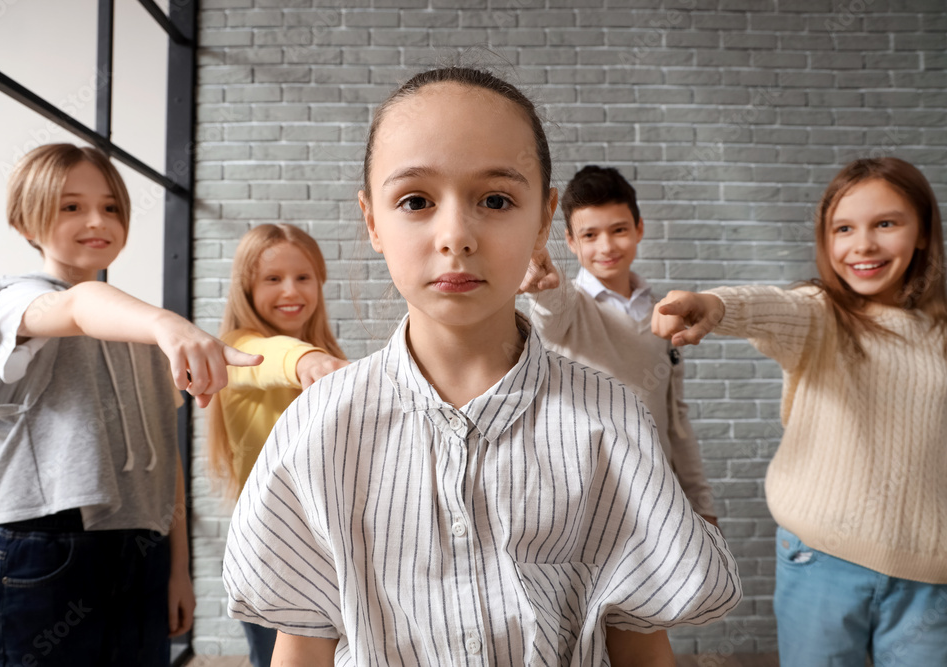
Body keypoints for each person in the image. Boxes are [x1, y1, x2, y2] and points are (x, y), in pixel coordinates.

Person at [222, 66, 740, 667]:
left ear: (544, 219)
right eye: (415, 201)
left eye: (496, 200)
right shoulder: (319, 427)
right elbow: (302, 646)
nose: (456, 236)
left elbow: (640, 647)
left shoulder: (609, 420)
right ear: (371, 221)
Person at [0, 143, 260, 666]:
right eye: (71, 206)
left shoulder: (140, 328)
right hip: (48, 549)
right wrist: (169, 324)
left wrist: (177, 571)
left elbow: (165, 456)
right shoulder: (15, 300)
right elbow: (79, 304)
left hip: (142, 554)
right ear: (24, 223)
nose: (97, 220)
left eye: (112, 207)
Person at [651, 157, 947, 666]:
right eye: (844, 229)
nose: (863, 245)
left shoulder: (940, 331)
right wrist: (713, 306)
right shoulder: (822, 313)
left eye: (886, 224)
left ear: (921, 232)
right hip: (821, 561)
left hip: (931, 575)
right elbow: (772, 308)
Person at [521, 165, 717, 527]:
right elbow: (552, 310)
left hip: (658, 501)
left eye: (619, 230)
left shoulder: (665, 312)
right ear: (570, 242)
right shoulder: (569, 304)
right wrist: (545, 285)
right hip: (584, 506)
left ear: (639, 229)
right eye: (590, 235)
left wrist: (701, 504)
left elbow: (677, 420)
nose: (607, 246)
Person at [206, 223, 348, 667]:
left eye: (303, 277)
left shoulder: (323, 349)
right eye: (272, 279)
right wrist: (310, 360)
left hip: (326, 548)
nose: (291, 290)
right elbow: (272, 358)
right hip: (276, 551)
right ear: (246, 288)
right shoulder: (236, 349)